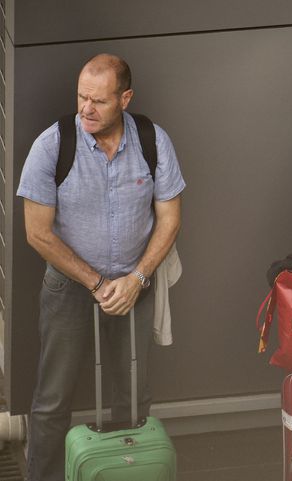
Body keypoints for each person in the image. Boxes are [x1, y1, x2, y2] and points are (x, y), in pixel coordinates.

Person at [17, 53, 185, 481]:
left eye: (99, 101)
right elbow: (37, 233)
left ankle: (126, 472)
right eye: (81, 98)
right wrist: (95, 282)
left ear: (125, 98)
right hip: (69, 289)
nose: (86, 109)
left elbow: (170, 219)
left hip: (134, 285)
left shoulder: (152, 139)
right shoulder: (53, 144)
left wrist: (137, 278)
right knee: (53, 399)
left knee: (132, 398)